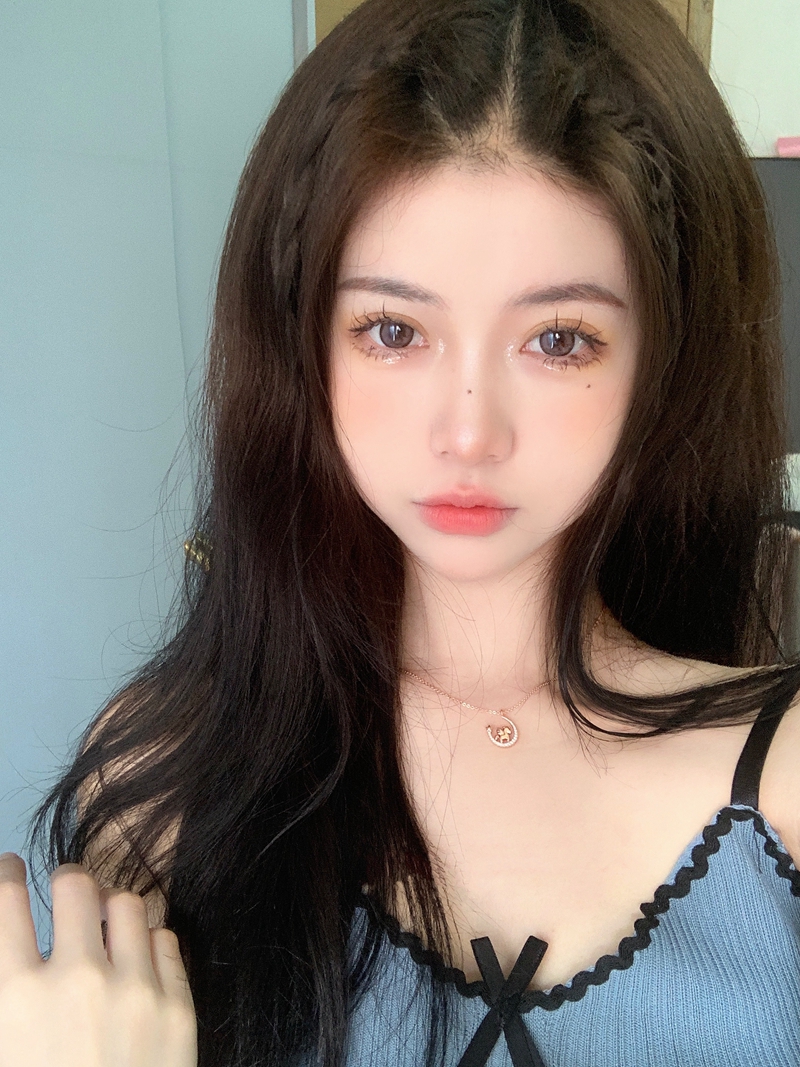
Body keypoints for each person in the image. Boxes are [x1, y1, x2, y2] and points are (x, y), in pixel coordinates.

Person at [4, 0, 800, 1063]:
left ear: (665, 361)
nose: (466, 432)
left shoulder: (783, 776)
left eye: (559, 339)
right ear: (302, 344)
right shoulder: (164, 782)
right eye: (392, 329)